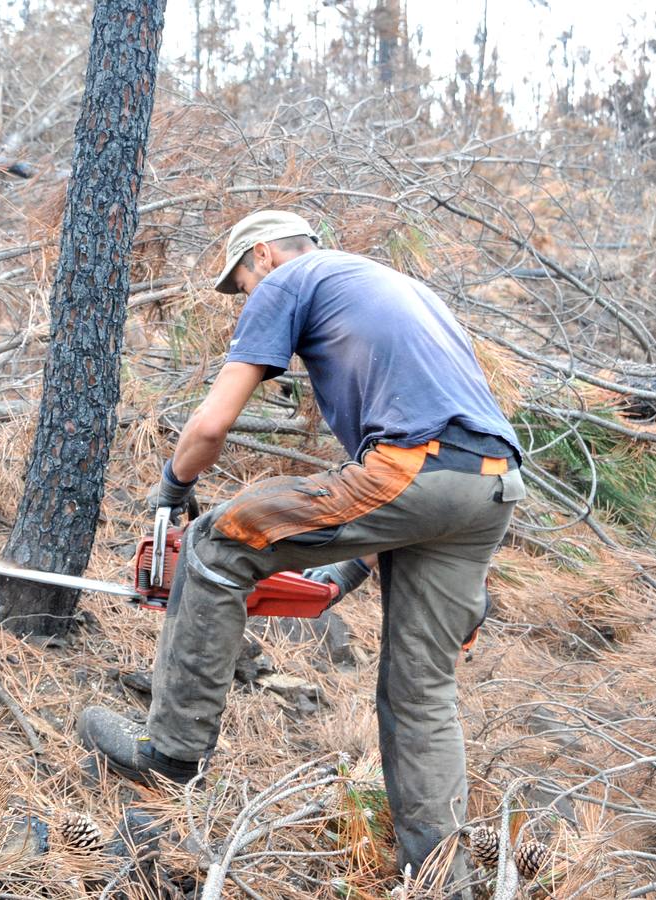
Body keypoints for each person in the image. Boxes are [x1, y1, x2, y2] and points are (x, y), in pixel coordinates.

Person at [78, 210, 525, 893]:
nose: (246, 298)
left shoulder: (289, 280)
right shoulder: (400, 291)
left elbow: (212, 423)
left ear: (262, 255)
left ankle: (168, 753)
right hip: (488, 486)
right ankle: (443, 883)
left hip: (414, 469)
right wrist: (342, 570)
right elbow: (413, 490)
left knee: (216, 540)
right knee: (419, 694)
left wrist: (172, 490)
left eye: (243, 284)